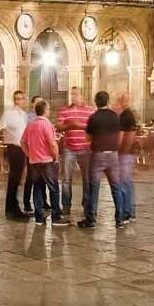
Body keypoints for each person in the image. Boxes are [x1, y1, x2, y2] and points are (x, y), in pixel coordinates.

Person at [81, 91, 124, 229]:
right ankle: (120, 219)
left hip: (98, 155)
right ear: (108, 101)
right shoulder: (115, 116)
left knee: (94, 187)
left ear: (95, 101)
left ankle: (91, 220)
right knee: (116, 187)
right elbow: (120, 133)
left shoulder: (93, 118)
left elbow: (87, 138)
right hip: (113, 155)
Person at [21, 99, 62, 224]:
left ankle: (39, 218)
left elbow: (22, 142)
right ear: (45, 111)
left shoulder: (31, 124)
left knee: (37, 188)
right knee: (54, 188)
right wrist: (56, 156)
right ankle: (56, 217)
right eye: (48, 109)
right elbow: (52, 143)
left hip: (34, 161)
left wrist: (29, 154)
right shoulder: (46, 124)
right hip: (46, 161)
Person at [57, 87, 91, 215]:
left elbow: (93, 127)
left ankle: (87, 205)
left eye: (76, 94)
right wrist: (70, 125)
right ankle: (66, 206)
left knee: (87, 179)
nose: (73, 96)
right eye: (72, 94)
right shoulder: (65, 110)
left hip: (85, 148)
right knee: (66, 179)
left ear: (82, 95)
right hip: (69, 149)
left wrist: (80, 126)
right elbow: (59, 127)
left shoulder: (89, 110)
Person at [0, 89, 30, 219]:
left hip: (22, 148)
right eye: (16, 99)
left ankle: (14, 207)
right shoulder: (9, 113)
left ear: (24, 100)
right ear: (14, 100)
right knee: (14, 179)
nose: (19, 101)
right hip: (13, 147)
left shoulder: (24, 114)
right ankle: (11, 210)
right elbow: (1, 127)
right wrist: (7, 140)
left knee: (18, 179)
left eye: (21, 99)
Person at [116, 92, 139, 224]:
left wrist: (120, 152)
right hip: (129, 154)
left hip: (125, 154)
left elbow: (126, 136)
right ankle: (131, 212)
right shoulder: (130, 114)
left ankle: (126, 213)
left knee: (123, 184)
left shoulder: (126, 116)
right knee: (128, 183)